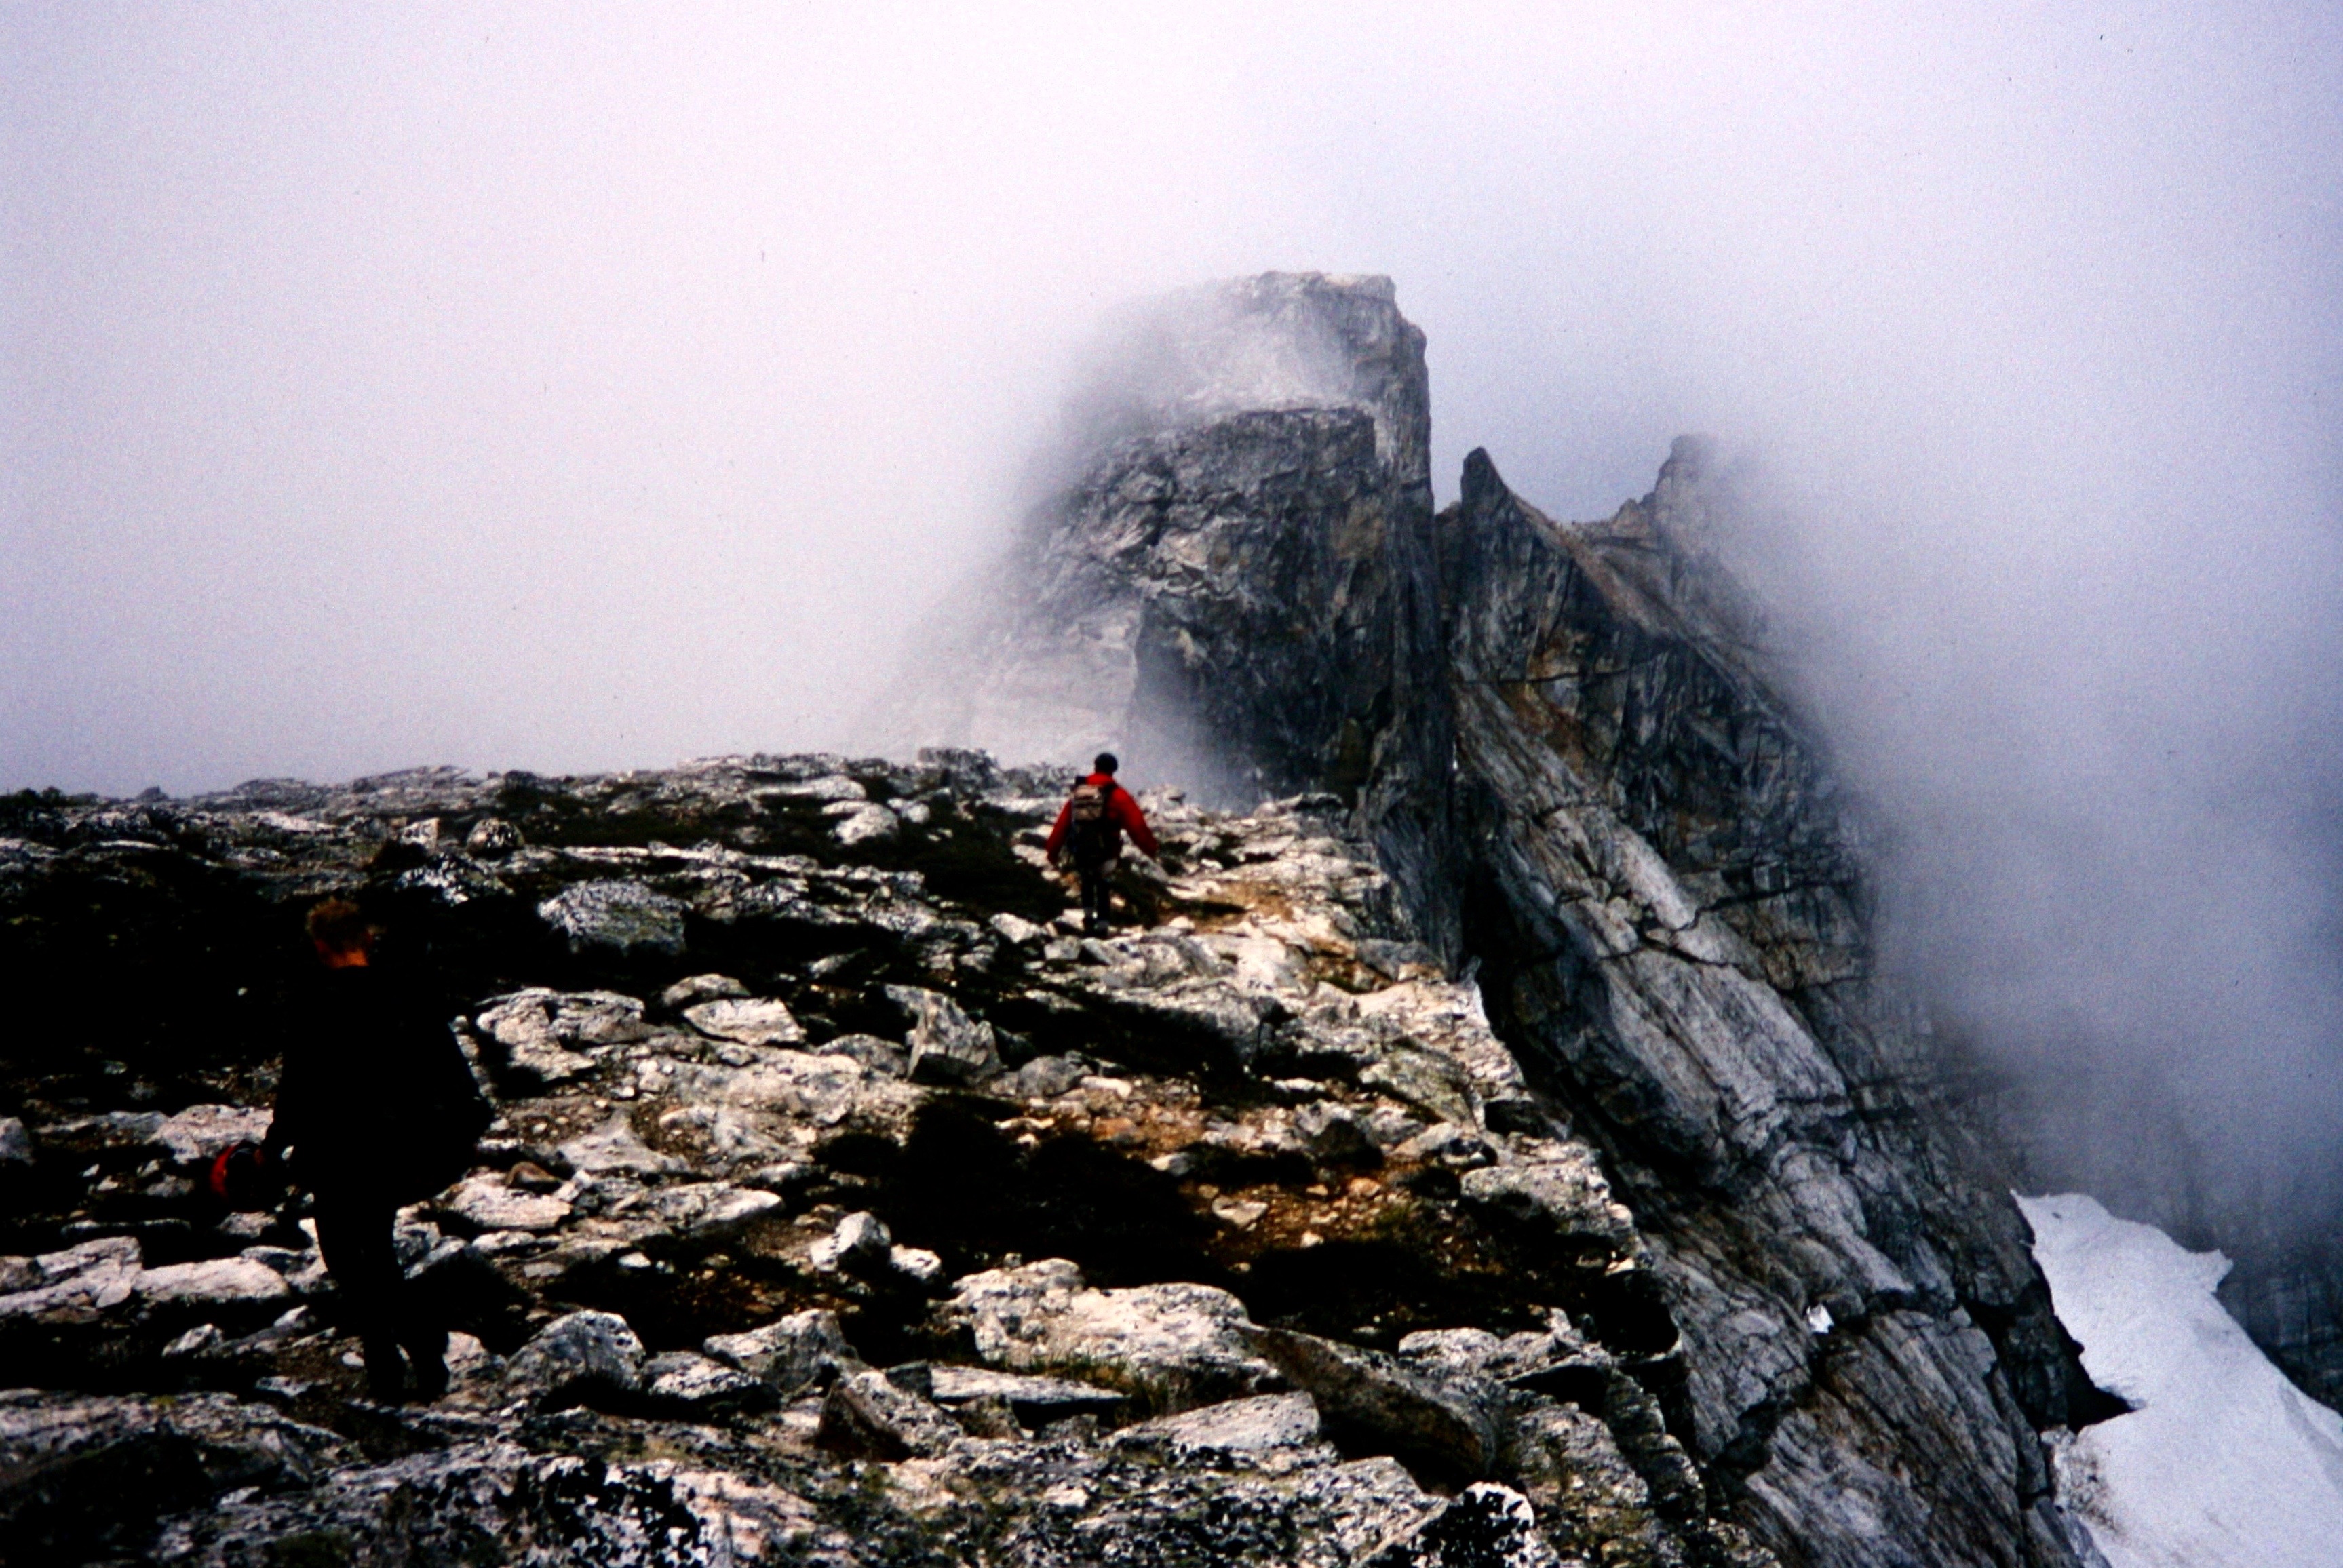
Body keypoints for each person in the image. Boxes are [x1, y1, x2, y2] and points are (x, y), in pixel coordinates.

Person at [263, 897, 490, 1402]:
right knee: (377, 1253)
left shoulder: (314, 1004)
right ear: (368, 940)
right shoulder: (406, 994)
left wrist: (273, 1147)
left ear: (320, 947)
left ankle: (398, 1358)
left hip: (337, 1153)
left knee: (346, 1261)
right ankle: (413, 1353)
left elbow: (296, 1088)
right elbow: (449, 1070)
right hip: (398, 1150)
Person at [1043, 752, 1160, 936]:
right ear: (1114, 770)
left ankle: (1088, 917)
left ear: (1095, 766)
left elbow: (1063, 824)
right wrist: (1150, 849)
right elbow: (1136, 826)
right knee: (1103, 884)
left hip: (1081, 849)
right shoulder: (1118, 795)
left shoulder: (1080, 793)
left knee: (1087, 880)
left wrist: (1052, 852)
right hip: (1107, 850)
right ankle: (1103, 925)